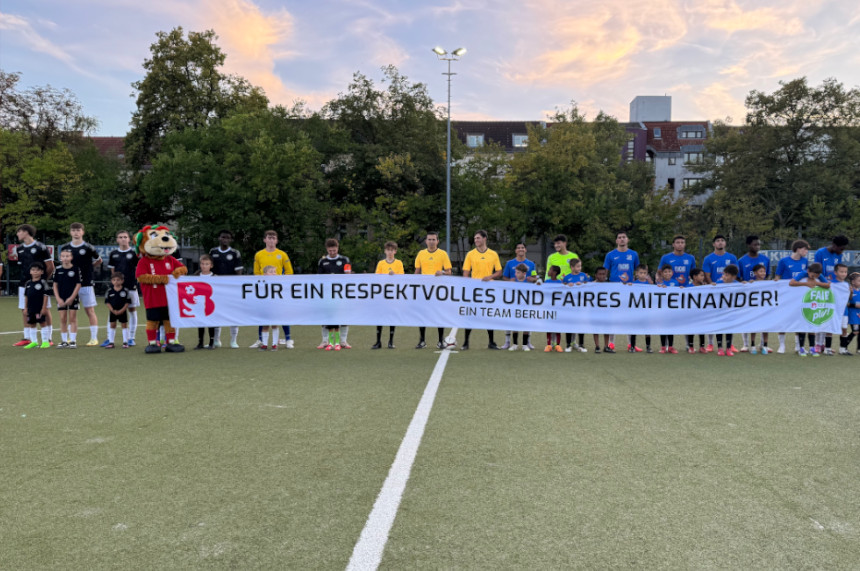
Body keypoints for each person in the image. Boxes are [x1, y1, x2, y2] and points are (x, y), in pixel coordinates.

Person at [60, 223, 102, 346]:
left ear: (82, 232)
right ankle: (71, 338)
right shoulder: (66, 247)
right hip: (70, 284)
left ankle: (94, 338)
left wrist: (89, 268)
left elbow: (98, 260)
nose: (76, 232)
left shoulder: (89, 247)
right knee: (71, 311)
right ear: (70, 232)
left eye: (78, 230)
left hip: (86, 284)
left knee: (90, 310)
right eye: (73, 230)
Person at [252, 230, 294, 349]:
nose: (271, 240)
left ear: (276, 240)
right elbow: (256, 273)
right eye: (269, 238)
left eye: (273, 238)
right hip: (263, 289)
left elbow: (289, 271)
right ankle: (261, 340)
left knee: (281, 314)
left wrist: (281, 282)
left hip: (278, 289)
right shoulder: (259, 254)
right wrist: (262, 282)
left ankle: (288, 339)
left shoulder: (282, 254)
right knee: (263, 314)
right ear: (264, 240)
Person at [462, 230, 503, 350]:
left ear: (485, 239)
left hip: (489, 290)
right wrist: (468, 284)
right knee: (471, 314)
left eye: (478, 238)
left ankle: (491, 342)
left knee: (488, 315)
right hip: (475, 290)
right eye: (475, 239)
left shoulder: (493, 254)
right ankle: (465, 342)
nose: (476, 241)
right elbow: (466, 272)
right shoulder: (470, 254)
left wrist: (490, 277)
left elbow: (499, 271)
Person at [13, 224, 53, 347]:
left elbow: (50, 266)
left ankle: (49, 338)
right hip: (24, 284)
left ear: (25, 232)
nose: (17, 234)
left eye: (19, 232)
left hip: (40, 285)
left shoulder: (41, 247)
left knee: (45, 310)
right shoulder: (19, 249)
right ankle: (28, 338)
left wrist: (42, 282)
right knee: (25, 310)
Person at [414, 231, 453, 349]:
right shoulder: (421, 253)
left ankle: (440, 341)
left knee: (439, 314)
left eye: (433, 239)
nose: (431, 242)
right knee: (423, 315)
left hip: (438, 290)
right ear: (426, 241)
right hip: (424, 290)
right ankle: (422, 341)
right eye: (429, 239)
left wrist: (442, 272)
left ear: (437, 241)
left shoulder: (443, 254)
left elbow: (449, 272)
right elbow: (416, 272)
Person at [209, 229, 243, 348]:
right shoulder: (213, 251)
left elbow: (239, 271)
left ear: (231, 240)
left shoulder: (235, 253)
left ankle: (233, 340)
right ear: (219, 238)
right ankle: (217, 339)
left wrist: (235, 286)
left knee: (232, 313)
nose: (225, 240)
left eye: (228, 238)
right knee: (217, 312)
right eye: (223, 237)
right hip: (216, 288)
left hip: (230, 288)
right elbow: (208, 268)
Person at [775, 239, 810, 354]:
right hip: (785, 296)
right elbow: (777, 278)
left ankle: (798, 346)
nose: (806, 252)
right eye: (805, 249)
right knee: (783, 320)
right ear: (798, 249)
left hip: (800, 296)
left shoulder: (805, 261)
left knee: (799, 320)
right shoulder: (783, 261)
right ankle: (781, 345)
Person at [501, 243, 537, 349]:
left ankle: (527, 342)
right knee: (511, 318)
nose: (521, 249)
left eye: (522, 248)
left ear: (525, 250)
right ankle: (508, 341)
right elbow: (505, 278)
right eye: (518, 248)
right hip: (513, 295)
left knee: (527, 317)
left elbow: (535, 278)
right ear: (516, 250)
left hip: (527, 296)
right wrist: (510, 281)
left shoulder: (531, 264)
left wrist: (532, 279)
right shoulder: (509, 263)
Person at [107, 230, 140, 346]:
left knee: (131, 310)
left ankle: (131, 337)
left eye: (125, 237)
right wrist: (114, 284)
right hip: (117, 288)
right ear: (117, 240)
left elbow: (139, 268)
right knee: (112, 311)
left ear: (129, 239)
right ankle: (109, 338)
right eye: (120, 237)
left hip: (131, 286)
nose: (123, 239)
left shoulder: (135, 253)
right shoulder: (113, 254)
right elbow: (112, 271)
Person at [789, 262, 830, 356]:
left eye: (816, 276)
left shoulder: (819, 276)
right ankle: (801, 348)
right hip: (801, 304)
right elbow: (791, 283)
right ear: (808, 271)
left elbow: (828, 285)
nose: (813, 277)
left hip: (813, 304)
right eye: (812, 275)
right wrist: (806, 284)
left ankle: (812, 348)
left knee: (812, 326)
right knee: (802, 326)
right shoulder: (803, 273)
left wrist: (817, 283)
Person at [318, 238, 352, 350]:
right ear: (327, 249)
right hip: (327, 294)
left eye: (334, 250)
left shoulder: (345, 260)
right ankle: (325, 340)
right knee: (325, 317)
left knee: (344, 316)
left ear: (337, 248)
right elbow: (319, 279)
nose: (332, 252)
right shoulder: (322, 261)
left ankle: (343, 341)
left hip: (341, 294)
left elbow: (348, 276)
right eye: (330, 250)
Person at [737, 235, 769, 351]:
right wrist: (745, 283)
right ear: (749, 245)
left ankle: (763, 344)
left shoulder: (765, 259)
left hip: (761, 294)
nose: (757, 246)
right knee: (747, 318)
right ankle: (746, 344)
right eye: (755, 244)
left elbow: (768, 275)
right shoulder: (741, 260)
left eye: (759, 244)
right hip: (747, 294)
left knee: (763, 318)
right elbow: (739, 277)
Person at [373, 241, 404, 349]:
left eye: (392, 250)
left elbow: (402, 277)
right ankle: (378, 341)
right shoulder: (381, 263)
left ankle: (391, 341)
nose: (390, 252)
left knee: (392, 316)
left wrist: (394, 276)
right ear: (385, 251)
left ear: (395, 251)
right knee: (380, 317)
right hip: (382, 294)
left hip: (393, 294)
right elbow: (377, 277)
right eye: (388, 250)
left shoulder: (398, 263)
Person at [53, 249, 82, 349]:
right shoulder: (57, 269)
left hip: (72, 297)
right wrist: (58, 298)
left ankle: (73, 340)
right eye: (63, 256)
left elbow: (78, 284)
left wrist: (72, 297)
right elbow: (55, 285)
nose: (65, 258)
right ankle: (64, 341)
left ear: (71, 257)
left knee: (72, 318)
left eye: (67, 256)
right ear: (60, 258)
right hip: (61, 298)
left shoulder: (75, 269)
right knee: (62, 319)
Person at [22, 261, 52, 349]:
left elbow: (46, 295)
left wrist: (44, 308)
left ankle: (45, 341)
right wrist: (25, 308)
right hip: (31, 308)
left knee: (42, 323)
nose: (35, 271)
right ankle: (34, 342)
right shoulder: (28, 283)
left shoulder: (43, 283)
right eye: (33, 270)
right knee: (32, 323)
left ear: (42, 272)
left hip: (40, 308)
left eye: (37, 270)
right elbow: (26, 296)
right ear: (30, 271)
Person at [713, 265, 741, 356]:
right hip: (719, 311)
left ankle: (728, 348)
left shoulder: (737, 284)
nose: (724, 276)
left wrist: (748, 284)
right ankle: (720, 348)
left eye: (727, 275)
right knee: (719, 329)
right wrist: (712, 286)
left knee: (729, 329)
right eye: (724, 274)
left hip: (731, 311)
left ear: (733, 277)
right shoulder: (718, 283)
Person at [562, 257, 589, 352]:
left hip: (581, 305)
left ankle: (581, 345)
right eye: (578, 266)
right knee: (569, 324)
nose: (580, 268)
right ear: (572, 267)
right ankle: (568, 344)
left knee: (581, 324)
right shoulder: (567, 277)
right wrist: (566, 286)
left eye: (580, 266)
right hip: (570, 306)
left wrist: (582, 285)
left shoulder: (584, 276)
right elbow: (561, 289)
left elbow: (589, 287)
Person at [627, 264, 653, 353]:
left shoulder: (649, 284)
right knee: (634, 329)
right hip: (635, 311)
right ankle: (632, 346)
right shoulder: (633, 284)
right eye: (641, 273)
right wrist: (628, 286)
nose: (643, 274)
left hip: (646, 311)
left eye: (645, 273)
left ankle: (648, 346)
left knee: (647, 329)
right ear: (637, 273)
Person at [747, 264, 772, 355]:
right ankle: (752, 345)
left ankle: (764, 346)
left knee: (766, 328)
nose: (763, 273)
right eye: (761, 271)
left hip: (765, 309)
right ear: (755, 273)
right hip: (755, 309)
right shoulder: (752, 283)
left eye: (764, 271)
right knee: (754, 327)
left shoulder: (769, 283)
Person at [682, 268, 708, 354]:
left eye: (703, 275)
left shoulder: (705, 287)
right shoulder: (688, 287)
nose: (703, 277)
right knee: (691, 329)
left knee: (702, 329)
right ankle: (691, 346)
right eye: (701, 275)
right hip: (691, 313)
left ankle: (702, 346)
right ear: (695, 277)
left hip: (702, 313)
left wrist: (713, 286)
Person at [508, 263, 533, 351]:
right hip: (515, 306)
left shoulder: (529, 281)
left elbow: (539, 285)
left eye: (518, 272)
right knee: (515, 326)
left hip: (526, 307)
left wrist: (535, 279)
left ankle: (525, 345)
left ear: (524, 273)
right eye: (516, 272)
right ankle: (515, 344)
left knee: (526, 326)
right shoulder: (513, 281)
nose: (516, 274)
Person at [194, 255, 216, 350]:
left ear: (211, 265)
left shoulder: (215, 277)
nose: (204, 266)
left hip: (210, 303)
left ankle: (212, 342)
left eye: (207, 264)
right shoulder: (196, 276)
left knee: (211, 323)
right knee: (200, 323)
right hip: (199, 303)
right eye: (202, 264)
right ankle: (200, 342)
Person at [104, 271, 131, 349]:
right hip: (113, 312)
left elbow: (127, 302)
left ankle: (125, 342)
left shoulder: (125, 291)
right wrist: (112, 310)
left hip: (122, 311)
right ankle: (111, 342)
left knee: (124, 325)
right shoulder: (109, 291)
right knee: (112, 325)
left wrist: (122, 310)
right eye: (114, 280)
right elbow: (107, 302)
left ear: (122, 281)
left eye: (118, 280)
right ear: (111, 281)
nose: (116, 281)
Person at [657, 264, 680, 353]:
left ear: (672, 273)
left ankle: (670, 346)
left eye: (669, 272)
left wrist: (681, 289)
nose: (667, 273)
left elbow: (679, 294)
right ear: (662, 273)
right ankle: (663, 346)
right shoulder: (659, 283)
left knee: (671, 327)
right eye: (665, 272)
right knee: (662, 327)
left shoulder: (675, 282)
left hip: (672, 309)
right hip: (662, 309)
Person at [590, 267, 613, 353]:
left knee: (606, 328)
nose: (602, 276)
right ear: (596, 275)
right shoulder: (591, 285)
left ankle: (606, 346)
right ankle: (597, 346)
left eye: (603, 274)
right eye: (600, 274)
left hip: (606, 311)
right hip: (595, 311)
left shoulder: (609, 285)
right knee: (596, 328)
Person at [259, 265, 282, 351]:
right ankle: (264, 344)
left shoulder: (279, 283)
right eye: (271, 272)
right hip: (265, 307)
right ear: (265, 274)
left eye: (274, 272)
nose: (273, 273)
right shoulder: (261, 283)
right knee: (265, 325)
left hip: (275, 307)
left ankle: (274, 344)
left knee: (275, 325)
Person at [542, 265, 564, 352]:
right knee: (549, 327)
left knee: (557, 327)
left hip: (558, 308)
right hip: (548, 307)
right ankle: (549, 345)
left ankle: (557, 345)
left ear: (554, 272)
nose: (548, 271)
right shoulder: (546, 282)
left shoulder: (560, 283)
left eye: (550, 270)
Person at [839, 271, 860, 356]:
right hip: (852, 314)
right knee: (855, 331)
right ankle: (843, 346)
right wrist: (855, 305)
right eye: (859, 280)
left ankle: (859, 349)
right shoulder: (850, 290)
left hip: (859, 314)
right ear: (853, 281)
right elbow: (845, 302)